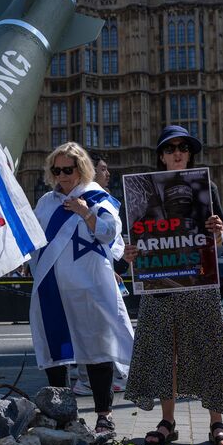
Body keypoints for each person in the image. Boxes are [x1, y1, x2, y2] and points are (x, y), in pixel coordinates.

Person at [123, 125, 223, 445]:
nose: (177, 152)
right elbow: (138, 242)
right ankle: (168, 421)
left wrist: (217, 231)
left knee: (209, 348)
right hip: (160, 285)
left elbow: (215, 241)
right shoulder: (144, 193)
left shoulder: (207, 188)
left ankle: (216, 421)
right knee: (165, 353)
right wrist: (131, 253)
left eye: (183, 148)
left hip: (198, 281)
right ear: (161, 156)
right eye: (171, 148)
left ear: (189, 155)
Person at [28, 142, 134, 434]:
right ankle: (60, 411)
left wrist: (85, 213)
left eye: (68, 169)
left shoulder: (98, 198)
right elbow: (33, 238)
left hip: (89, 286)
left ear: (81, 169)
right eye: (57, 169)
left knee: (97, 350)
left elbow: (110, 234)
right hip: (52, 286)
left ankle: (104, 414)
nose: (62, 175)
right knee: (57, 350)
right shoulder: (47, 202)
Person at [72, 153, 128, 398]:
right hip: (90, 275)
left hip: (103, 270)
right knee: (100, 325)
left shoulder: (102, 200)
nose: (108, 174)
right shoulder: (81, 202)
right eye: (103, 169)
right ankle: (92, 378)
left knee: (103, 325)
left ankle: (109, 375)